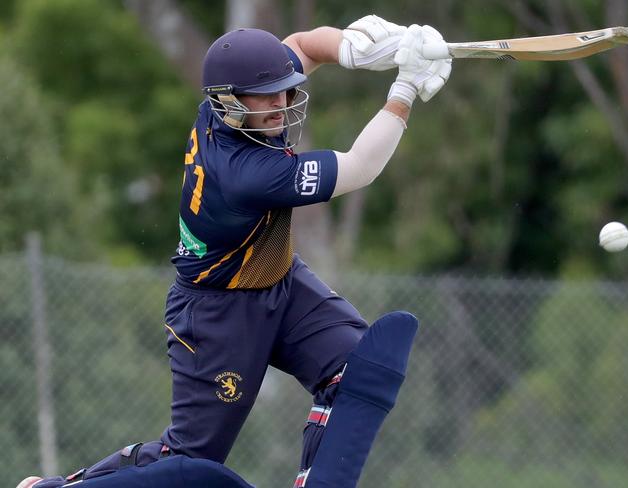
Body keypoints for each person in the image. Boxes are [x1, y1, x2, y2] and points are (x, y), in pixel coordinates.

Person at [17, 15, 451, 488]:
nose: (281, 103)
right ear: (227, 101)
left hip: (278, 281)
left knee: (355, 367)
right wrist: (404, 87)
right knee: (189, 461)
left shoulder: (227, 104)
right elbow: (361, 168)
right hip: (216, 312)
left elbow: (301, 45)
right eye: (267, 96)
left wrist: (355, 49)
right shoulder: (246, 173)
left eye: (286, 90)